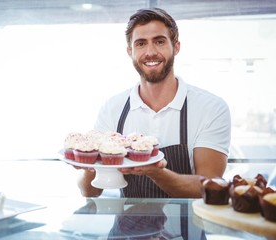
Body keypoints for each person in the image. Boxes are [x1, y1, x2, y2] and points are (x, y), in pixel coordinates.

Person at [77, 8, 231, 198]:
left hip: (187, 227)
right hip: (126, 226)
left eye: (159, 41)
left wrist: (155, 172)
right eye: (141, 44)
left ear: (176, 47)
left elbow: (209, 186)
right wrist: (89, 164)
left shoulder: (211, 108)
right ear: (130, 52)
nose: (150, 52)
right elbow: (89, 191)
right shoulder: (112, 109)